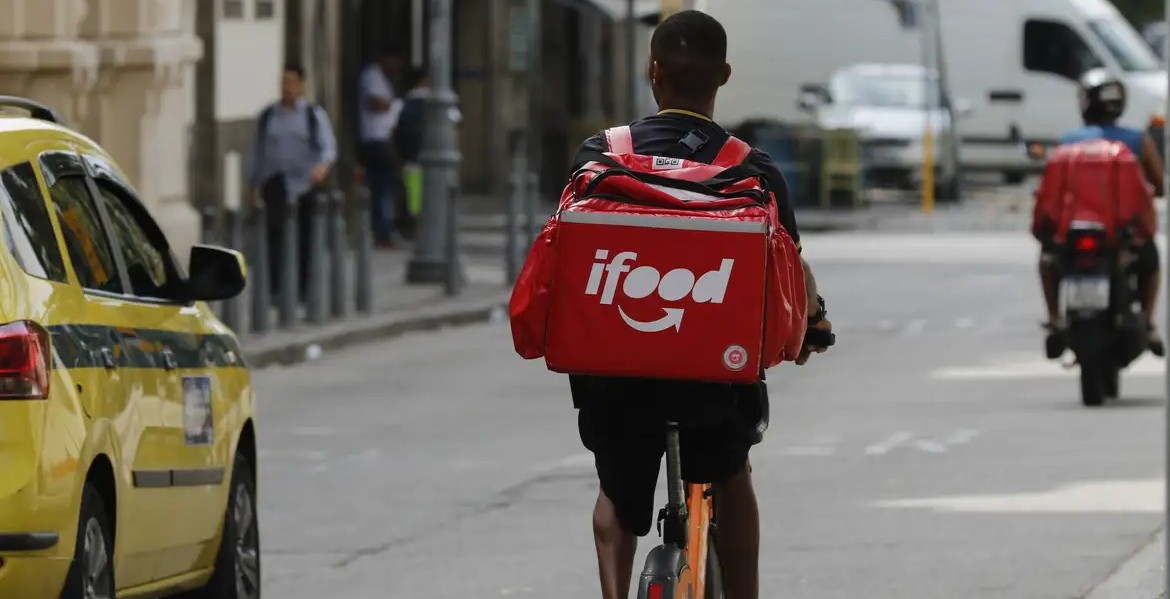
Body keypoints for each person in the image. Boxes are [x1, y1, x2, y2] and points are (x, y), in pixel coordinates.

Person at [567, 11, 832, 599]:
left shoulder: (599, 157)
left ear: (652, 72)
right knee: (732, 475)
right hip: (715, 383)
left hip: (617, 379)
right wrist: (814, 324)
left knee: (615, 495)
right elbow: (791, 269)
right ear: (725, 76)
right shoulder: (753, 169)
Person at [1040, 68, 1165, 357]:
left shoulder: (1069, 140)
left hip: (1071, 233)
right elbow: (1159, 185)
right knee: (1151, 260)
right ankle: (1147, 322)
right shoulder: (1137, 140)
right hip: (1122, 236)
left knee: (1048, 259)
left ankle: (1054, 318)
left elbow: (1051, 192)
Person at [249, 62, 337, 304]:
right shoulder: (268, 116)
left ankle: (302, 291)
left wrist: (321, 169)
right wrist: (254, 185)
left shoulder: (312, 115)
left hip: (304, 184)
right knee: (274, 238)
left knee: (304, 239)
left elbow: (328, 149)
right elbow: (258, 152)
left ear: (301, 85)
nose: (287, 88)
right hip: (275, 182)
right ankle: (275, 289)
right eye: (284, 83)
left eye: (292, 82)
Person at [358, 45, 406, 248]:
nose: (397, 68)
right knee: (384, 188)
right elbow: (375, 103)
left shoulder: (382, 78)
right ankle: (383, 233)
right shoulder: (372, 75)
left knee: (385, 187)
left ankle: (385, 230)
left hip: (382, 140)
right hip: (375, 141)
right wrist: (394, 105)